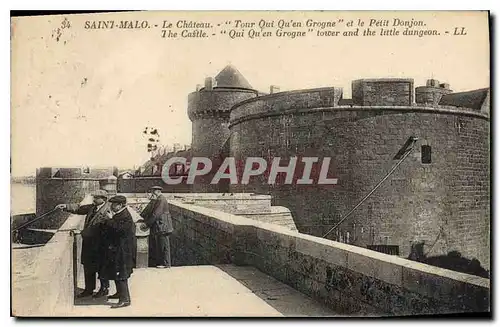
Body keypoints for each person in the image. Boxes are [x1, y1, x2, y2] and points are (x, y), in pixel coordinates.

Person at [55, 189, 111, 298]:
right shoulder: (92, 207)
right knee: (88, 266)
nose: (94, 199)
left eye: (96, 197)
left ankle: (104, 288)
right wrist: (65, 207)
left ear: (103, 199)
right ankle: (89, 289)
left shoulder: (107, 211)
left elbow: (99, 228)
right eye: (94, 197)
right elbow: (79, 208)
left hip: (101, 245)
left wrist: (82, 232)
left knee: (101, 267)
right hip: (89, 243)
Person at [99, 195, 135, 309]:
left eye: (114, 204)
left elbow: (120, 230)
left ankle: (125, 300)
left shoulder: (125, 216)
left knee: (121, 274)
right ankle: (119, 293)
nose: (112, 206)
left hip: (122, 251)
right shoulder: (119, 214)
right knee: (116, 272)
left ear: (121, 205)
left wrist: (109, 220)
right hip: (117, 249)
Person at [138, 186, 174, 268]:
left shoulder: (161, 199)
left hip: (163, 226)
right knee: (162, 244)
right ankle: (164, 263)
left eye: (153, 192)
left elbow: (156, 214)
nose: (151, 194)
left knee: (164, 245)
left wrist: (147, 224)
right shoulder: (158, 199)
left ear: (157, 192)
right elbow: (149, 209)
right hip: (161, 225)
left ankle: (166, 264)